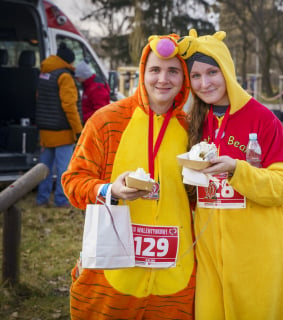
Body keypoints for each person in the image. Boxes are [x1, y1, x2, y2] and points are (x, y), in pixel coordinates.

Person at [61, 34, 195, 319]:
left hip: (174, 278)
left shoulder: (193, 130)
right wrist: (110, 191)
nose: (163, 79)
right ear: (142, 73)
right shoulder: (106, 121)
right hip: (113, 276)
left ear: (184, 79)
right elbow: (72, 183)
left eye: (173, 71)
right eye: (155, 70)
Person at [177, 29, 283, 319]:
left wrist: (237, 169)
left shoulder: (263, 119)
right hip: (208, 258)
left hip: (255, 256)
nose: (204, 84)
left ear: (227, 70)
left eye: (212, 72)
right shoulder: (193, 122)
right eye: (196, 76)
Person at [35, 42, 82, 208]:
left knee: (44, 167)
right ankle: (61, 200)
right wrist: (78, 131)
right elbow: (69, 106)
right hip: (62, 130)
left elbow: (39, 98)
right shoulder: (65, 76)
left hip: (46, 129)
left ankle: (42, 199)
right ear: (68, 62)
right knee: (64, 168)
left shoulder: (45, 73)